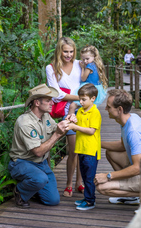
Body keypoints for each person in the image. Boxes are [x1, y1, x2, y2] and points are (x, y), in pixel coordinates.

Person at [9, 84, 73, 208]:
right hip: (22, 162)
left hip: (41, 164)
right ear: (37, 103)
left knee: (53, 201)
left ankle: (34, 188)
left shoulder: (46, 116)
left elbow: (57, 129)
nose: (52, 103)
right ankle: (20, 192)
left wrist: (68, 121)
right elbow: (38, 151)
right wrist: (56, 135)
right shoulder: (25, 123)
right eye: (48, 101)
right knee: (40, 179)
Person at [94, 89, 141, 205]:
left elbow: (137, 168)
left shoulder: (133, 130)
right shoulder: (128, 118)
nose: (105, 109)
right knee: (110, 153)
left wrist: (108, 176)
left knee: (102, 187)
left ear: (120, 109)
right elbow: (122, 145)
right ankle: (131, 193)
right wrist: (98, 143)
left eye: (108, 107)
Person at [46, 37, 83, 197]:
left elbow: (90, 83)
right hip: (67, 113)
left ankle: (79, 183)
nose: (68, 55)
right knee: (73, 149)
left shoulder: (80, 64)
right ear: (59, 51)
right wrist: (81, 97)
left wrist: (83, 99)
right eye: (65, 51)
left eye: (71, 51)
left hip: (85, 110)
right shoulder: (51, 68)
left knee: (84, 150)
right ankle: (68, 183)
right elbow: (56, 94)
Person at [66, 83, 102, 210]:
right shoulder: (80, 111)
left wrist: (75, 127)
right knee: (85, 174)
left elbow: (91, 131)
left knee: (89, 177)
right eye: (79, 99)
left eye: (84, 99)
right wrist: (73, 122)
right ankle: (87, 197)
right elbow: (78, 130)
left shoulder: (95, 112)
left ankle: (90, 201)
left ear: (93, 98)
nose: (80, 102)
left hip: (91, 150)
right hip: (81, 148)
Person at [68, 45, 108, 115]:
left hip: (88, 89)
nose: (85, 61)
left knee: (72, 106)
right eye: (83, 59)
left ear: (94, 57)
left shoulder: (89, 66)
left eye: (87, 59)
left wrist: (83, 68)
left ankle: (69, 122)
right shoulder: (96, 64)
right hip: (97, 88)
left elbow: (83, 78)